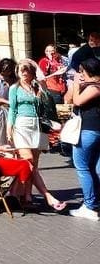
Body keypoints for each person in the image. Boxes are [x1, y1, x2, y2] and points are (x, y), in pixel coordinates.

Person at [7, 58, 66, 211]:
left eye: (27, 71)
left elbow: (47, 102)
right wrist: (9, 129)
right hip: (21, 125)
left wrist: (41, 83)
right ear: (18, 73)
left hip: (37, 126)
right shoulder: (14, 89)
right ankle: (48, 197)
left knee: (34, 164)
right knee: (28, 160)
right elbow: (12, 110)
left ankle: (27, 196)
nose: (24, 73)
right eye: (21, 71)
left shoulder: (37, 88)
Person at [70, 56, 100, 220]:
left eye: (82, 71)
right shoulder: (91, 85)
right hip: (96, 131)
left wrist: (75, 85)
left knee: (82, 167)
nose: (80, 74)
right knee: (95, 168)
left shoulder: (95, 87)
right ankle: (95, 202)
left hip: (88, 130)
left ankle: (89, 206)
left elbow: (77, 101)